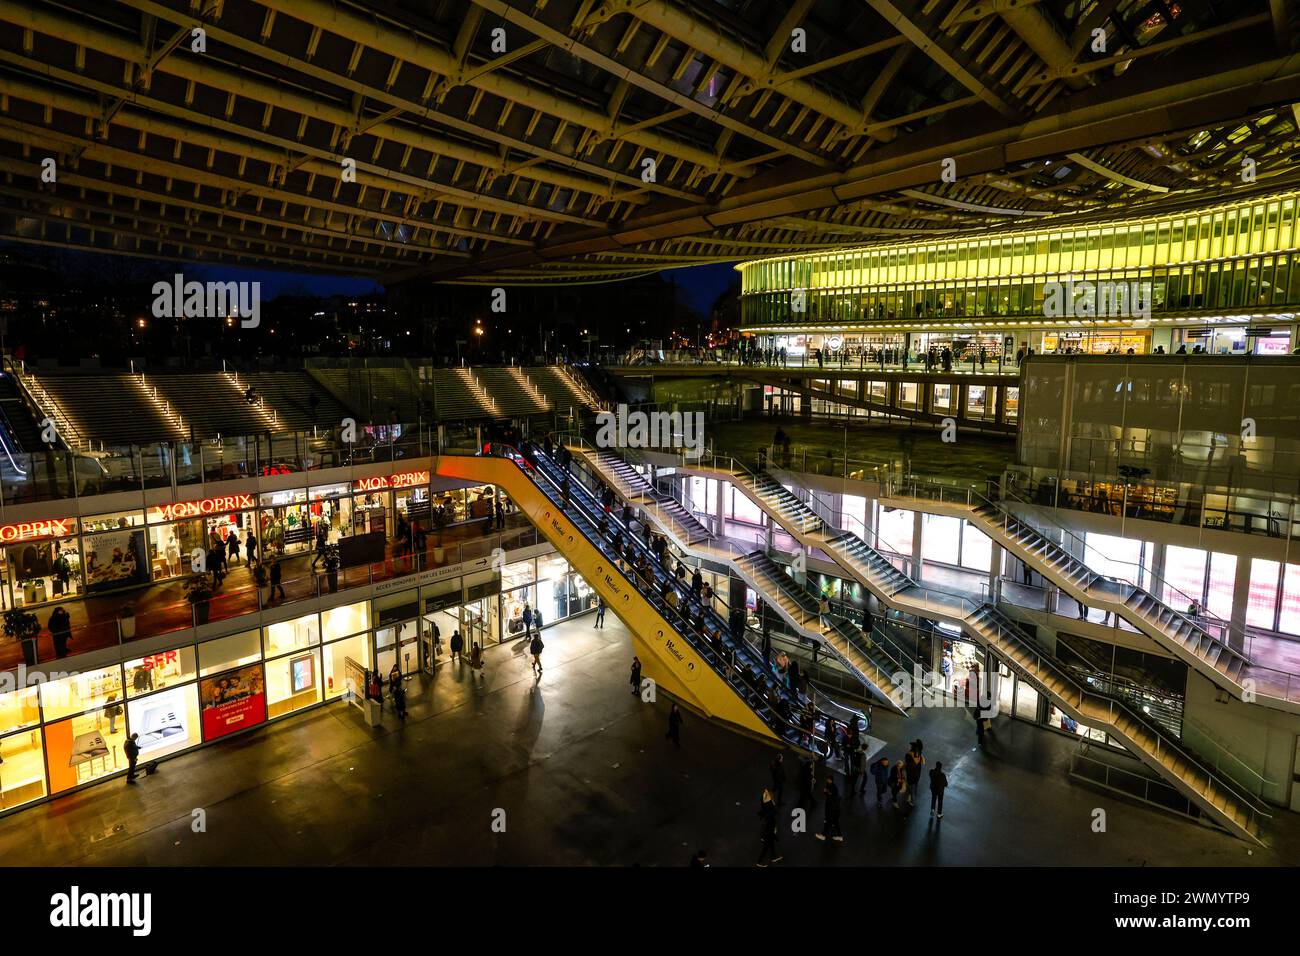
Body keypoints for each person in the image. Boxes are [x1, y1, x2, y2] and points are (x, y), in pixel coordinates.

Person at [757, 788, 782, 866]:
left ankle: (774, 856)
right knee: (766, 846)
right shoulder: (770, 811)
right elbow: (775, 809)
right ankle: (759, 862)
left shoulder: (764, 803)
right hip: (769, 829)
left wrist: (769, 796)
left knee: (771, 843)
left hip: (769, 827)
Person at [815, 775, 843, 843]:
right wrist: (826, 791)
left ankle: (823, 835)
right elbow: (827, 794)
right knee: (835, 822)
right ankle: (840, 836)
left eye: (828, 779)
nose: (827, 781)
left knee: (828, 822)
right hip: (835, 809)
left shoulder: (833, 787)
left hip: (832, 808)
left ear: (830, 780)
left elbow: (832, 795)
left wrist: (827, 791)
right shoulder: (829, 785)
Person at [904, 740, 925, 806]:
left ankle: (910, 798)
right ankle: (911, 800)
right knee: (912, 787)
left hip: (914, 774)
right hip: (913, 774)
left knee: (912, 786)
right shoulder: (912, 754)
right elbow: (910, 765)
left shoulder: (916, 754)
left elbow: (909, 765)